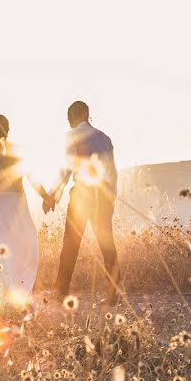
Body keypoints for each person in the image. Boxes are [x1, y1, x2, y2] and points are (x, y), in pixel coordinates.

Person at [44, 101, 120, 304]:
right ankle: (114, 293)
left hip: (82, 196)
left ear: (76, 116)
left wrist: (51, 195)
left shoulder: (72, 136)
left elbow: (65, 169)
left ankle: (61, 291)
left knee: (70, 243)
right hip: (103, 195)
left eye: (69, 116)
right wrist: (111, 197)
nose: (68, 120)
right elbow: (112, 173)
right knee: (107, 244)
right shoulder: (105, 138)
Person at [0, 114, 50, 306]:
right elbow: (31, 176)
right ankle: (18, 289)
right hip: (18, 201)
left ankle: (8, 292)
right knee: (25, 243)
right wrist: (45, 196)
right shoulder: (18, 150)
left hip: (0, 203)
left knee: (3, 246)